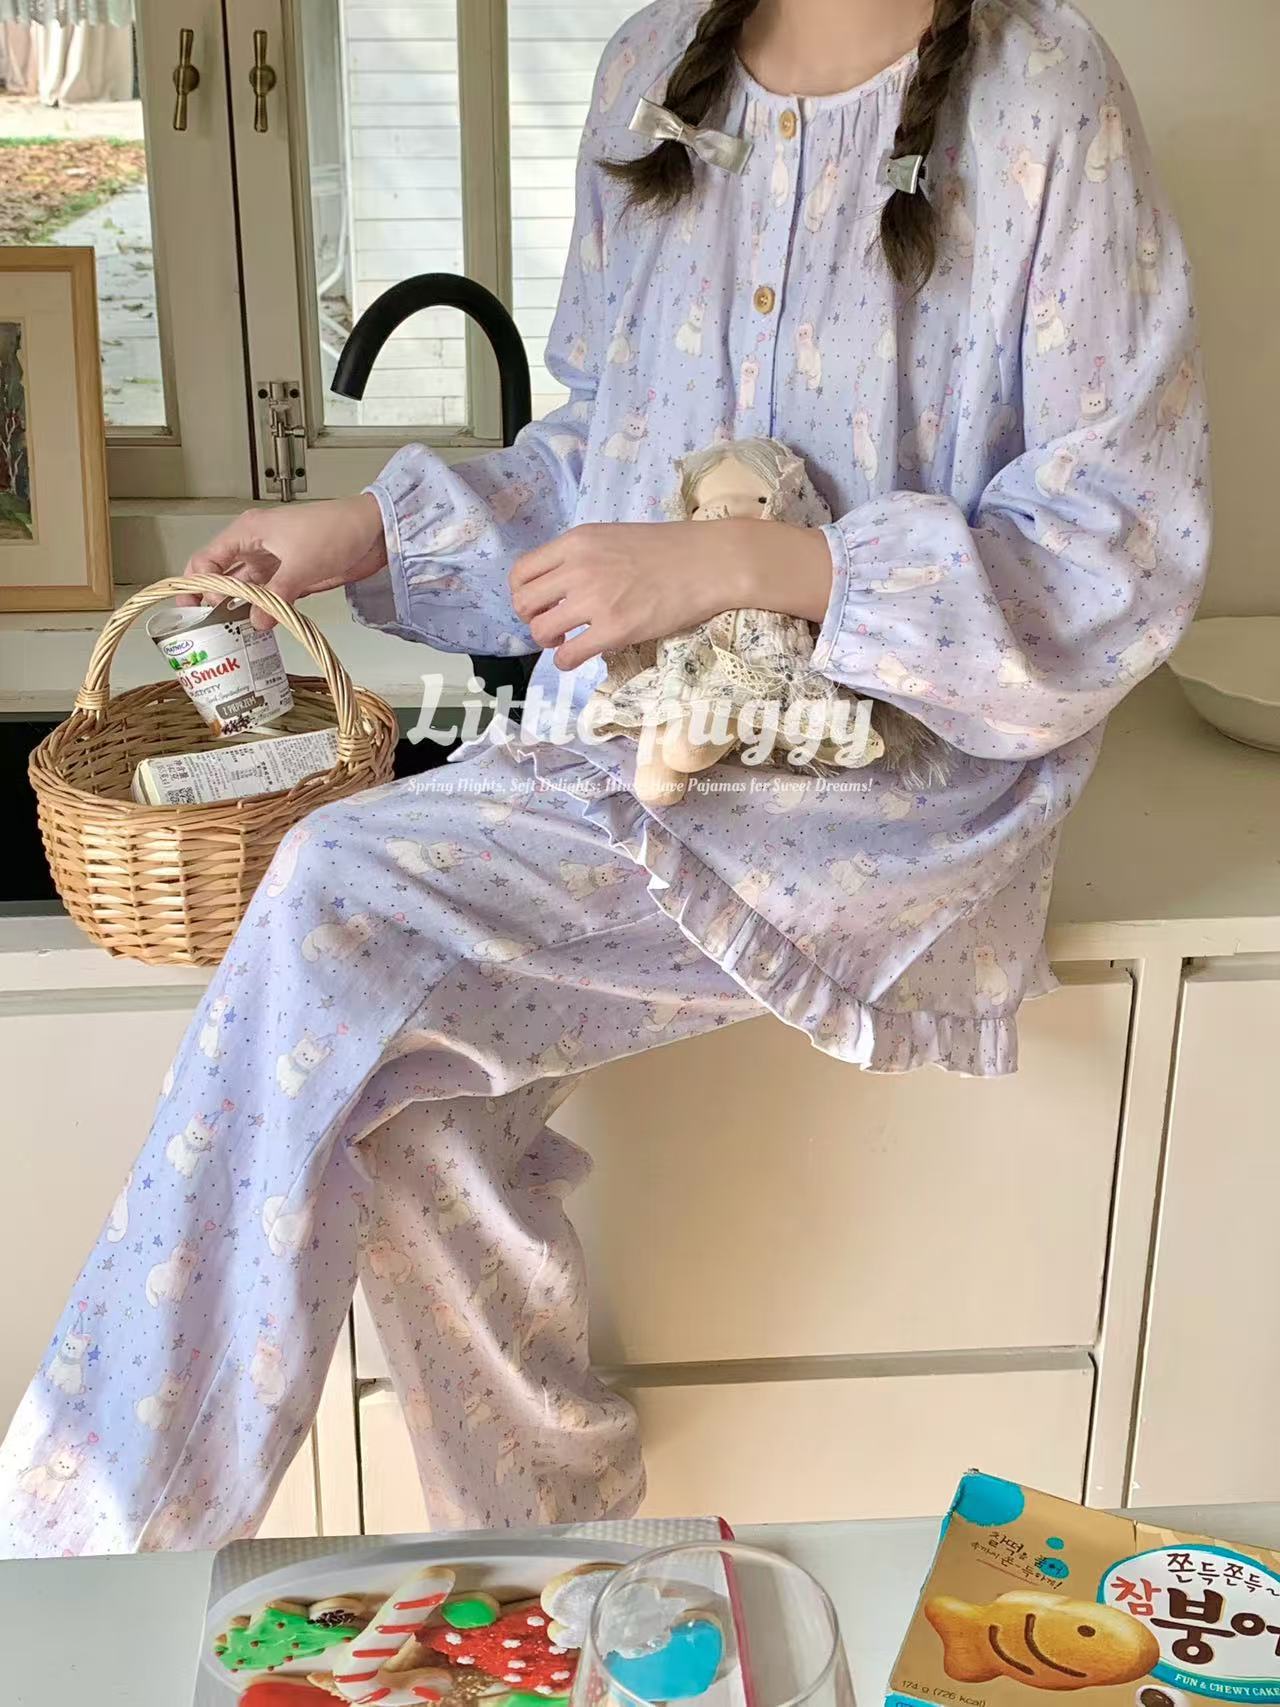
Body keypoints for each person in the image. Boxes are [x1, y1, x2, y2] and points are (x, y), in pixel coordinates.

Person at [0, 0, 1210, 1558]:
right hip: (628, 747)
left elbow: (1119, 542)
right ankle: (555, 1549)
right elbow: (601, 467)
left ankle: (79, 1551)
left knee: (334, 895)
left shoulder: (1045, 92)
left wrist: (759, 566)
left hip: (881, 791)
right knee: (406, 1111)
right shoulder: (653, 70)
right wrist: (361, 534)